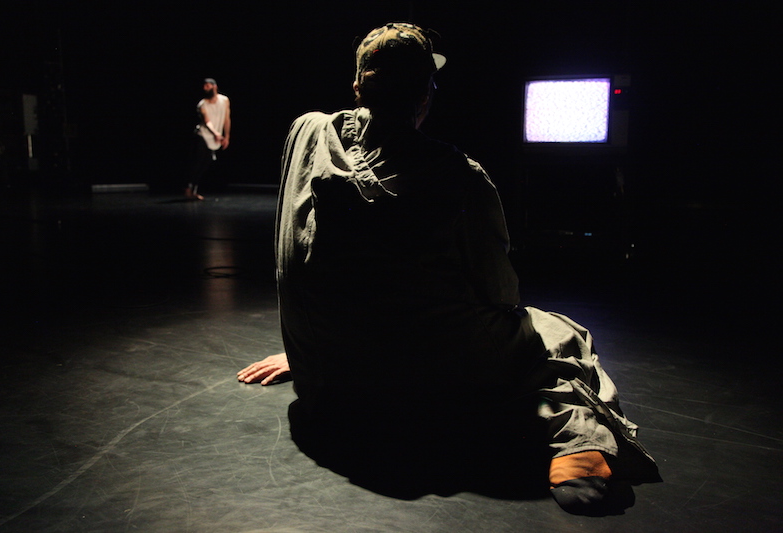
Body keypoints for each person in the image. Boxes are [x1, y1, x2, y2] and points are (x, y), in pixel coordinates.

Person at [238, 22, 660, 514]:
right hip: (412, 398)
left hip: (326, 387)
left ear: (357, 86)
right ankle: (577, 445)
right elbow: (499, 293)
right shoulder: (456, 174)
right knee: (554, 335)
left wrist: (322, 344)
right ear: (425, 95)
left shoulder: (305, 132)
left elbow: (311, 254)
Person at [186, 78, 231, 200]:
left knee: (205, 164)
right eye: (204, 86)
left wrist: (226, 136)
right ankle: (189, 188)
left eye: (207, 85)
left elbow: (226, 119)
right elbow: (207, 122)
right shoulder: (202, 104)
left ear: (214, 86)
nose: (205, 88)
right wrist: (216, 133)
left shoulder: (224, 100)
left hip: (215, 138)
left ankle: (194, 189)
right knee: (198, 162)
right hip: (202, 136)